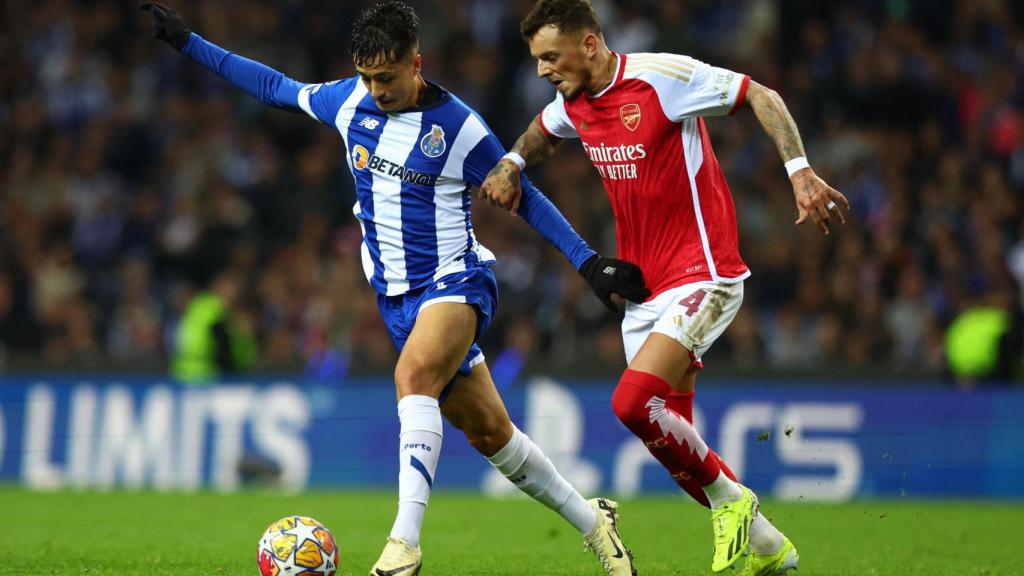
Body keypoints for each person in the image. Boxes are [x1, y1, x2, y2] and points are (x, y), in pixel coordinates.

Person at [140, 2, 648, 575]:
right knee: (491, 434)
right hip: (398, 299)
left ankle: (403, 544)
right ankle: (595, 524)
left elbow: (523, 196)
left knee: (411, 378)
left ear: (415, 63)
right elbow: (272, 86)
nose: (376, 90)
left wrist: (586, 263)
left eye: (386, 77)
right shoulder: (349, 101)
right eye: (367, 77)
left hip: (458, 280)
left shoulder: (459, 128)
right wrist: (190, 44)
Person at [481, 1, 851, 574]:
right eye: (535, 60)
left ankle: (737, 501)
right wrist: (510, 161)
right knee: (679, 452)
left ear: (590, 44)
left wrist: (799, 171)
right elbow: (541, 133)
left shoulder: (661, 79)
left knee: (631, 403)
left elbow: (761, 94)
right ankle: (774, 553)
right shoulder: (573, 103)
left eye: (550, 56)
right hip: (643, 292)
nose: (542, 71)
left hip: (704, 273)